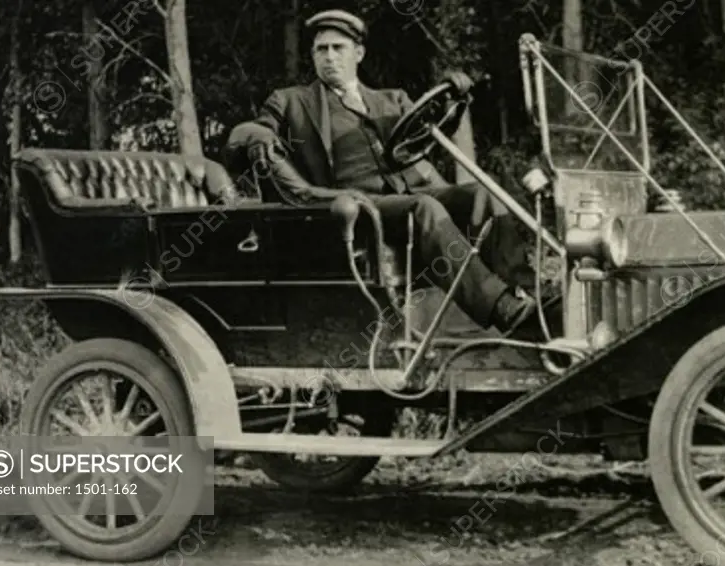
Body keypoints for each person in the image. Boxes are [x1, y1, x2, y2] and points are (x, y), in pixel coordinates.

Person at [224, 9, 538, 335]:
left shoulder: (392, 100)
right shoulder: (291, 101)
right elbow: (248, 136)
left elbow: (426, 133)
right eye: (321, 49)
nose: (329, 57)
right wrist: (254, 135)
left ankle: (530, 296)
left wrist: (452, 107)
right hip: (353, 206)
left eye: (338, 48)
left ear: (358, 54)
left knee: (482, 194)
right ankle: (500, 307)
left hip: (406, 194)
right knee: (425, 209)